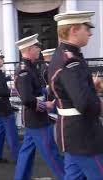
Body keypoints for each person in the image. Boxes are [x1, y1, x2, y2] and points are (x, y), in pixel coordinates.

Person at [48, 11, 103, 179]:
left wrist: (90, 86)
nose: (90, 33)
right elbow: (84, 103)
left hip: (72, 133)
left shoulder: (64, 55)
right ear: (74, 30)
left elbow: (66, 90)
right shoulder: (70, 61)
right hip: (83, 135)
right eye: (87, 28)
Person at [13, 34, 64, 180]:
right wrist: (45, 105)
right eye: (37, 47)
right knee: (51, 152)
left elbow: (37, 90)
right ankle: (67, 177)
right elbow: (27, 99)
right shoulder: (24, 71)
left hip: (33, 118)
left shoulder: (30, 68)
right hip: (36, 118)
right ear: (29, 49)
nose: (39, 50)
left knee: (26, 152)